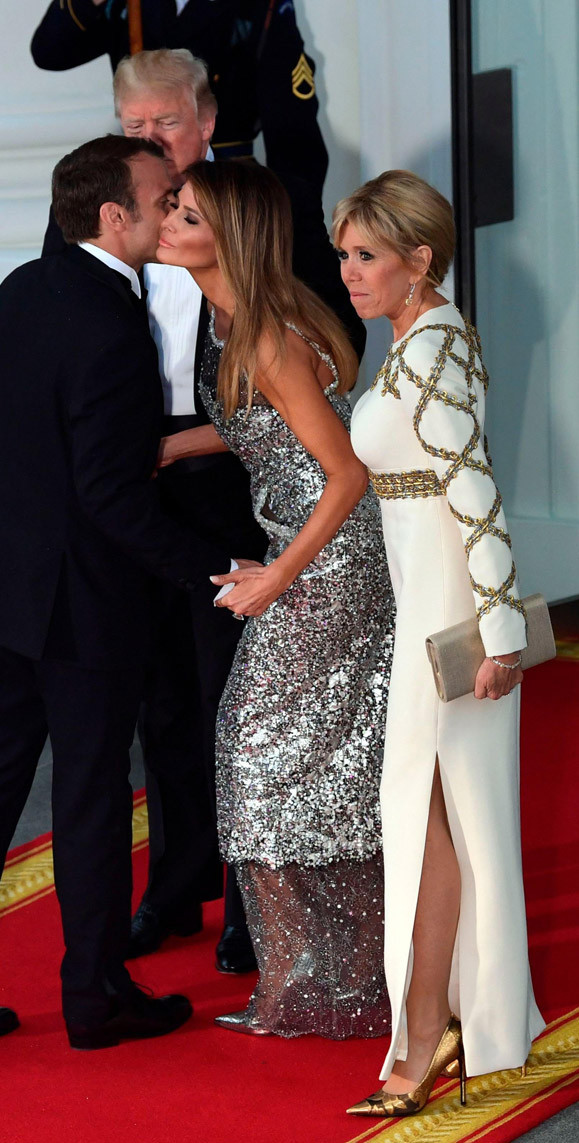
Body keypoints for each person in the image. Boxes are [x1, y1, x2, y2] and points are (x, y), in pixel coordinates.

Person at [0, 136, 248, 1051]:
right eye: (159, 194)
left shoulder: (22, 285)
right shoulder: (108, 319)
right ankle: (95, 995)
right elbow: (109, 493)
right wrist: (208, 571)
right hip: (85, 600)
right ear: (113, 216)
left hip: (2, 579)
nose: (171, 203)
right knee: (92, 791)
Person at [40, 47, 366, 974]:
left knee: (236, 696)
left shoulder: (261, 207)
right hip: (135, 484)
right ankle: (179, 883)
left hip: (239, 490)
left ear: (207, 120)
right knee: (160, 699)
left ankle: (248, 901)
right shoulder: (100, 210)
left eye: (163, 124)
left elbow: (315, 365)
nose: (146, 141)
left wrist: (197, 444)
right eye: (131, 124)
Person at [156, 158, 395, 1038]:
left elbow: (345, 473)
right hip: (303, 550)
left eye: (185, 212)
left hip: (325, 559)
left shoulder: (264, 332)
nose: (168, 221)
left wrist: (277, 575)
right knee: (301, 765)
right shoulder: (235, 319)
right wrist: (177, 448)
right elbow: (266, 426)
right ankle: (327, 983)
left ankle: (332, 986)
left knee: (262, 760)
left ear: (229, 235)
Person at [332, 170, 544, 1115]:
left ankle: (422, 1040)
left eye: (365, 255)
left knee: (424, 828)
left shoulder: (430, 351)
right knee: (439, 824)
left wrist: (499, 636)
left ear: (418, 260)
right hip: (427, 602)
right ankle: (453, 1018)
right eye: (342, 253)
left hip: (447, 622)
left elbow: (477, 492)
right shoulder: (417, 340)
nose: (347, 272)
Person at [30, 0, 329, 190]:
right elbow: (50, 53)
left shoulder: (258, 6)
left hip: (223, 184)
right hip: (139, 184)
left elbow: (294, 139)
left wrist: (287, 226)